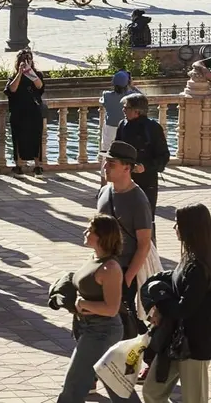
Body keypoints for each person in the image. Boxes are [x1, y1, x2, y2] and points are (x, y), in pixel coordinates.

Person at [56, 214, 140, 403]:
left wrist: (83, 304)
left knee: (73, 385)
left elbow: (112, 308)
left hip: (102, 331)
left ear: (102, 236)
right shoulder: (94, 258)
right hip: (89, 328)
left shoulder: (110, 268)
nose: (85, 232)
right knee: (115, 383)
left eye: (90, 230)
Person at [143, 204, 211, 403]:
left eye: (177, 224)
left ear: (190, 227)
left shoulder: (200, 266)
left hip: (195, 345)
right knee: (152, 392)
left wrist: (160, 300)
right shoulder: (190, 257)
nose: (174, 228)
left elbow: (185, 308)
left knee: (194, 399)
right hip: (174, 339)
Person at [97, 140, 154, 341]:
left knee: (122, 323)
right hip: (103, 267)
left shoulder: (138, 200)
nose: (105, 168)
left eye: (111, 164)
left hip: (123, 271)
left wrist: (128, 279)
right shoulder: (105, 192)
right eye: (106, 162)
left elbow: (144, 244)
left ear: (127, 168)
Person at [115, 93, 169, 223]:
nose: (123, 110)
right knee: (122, 217)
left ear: (137, 111)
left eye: (126, 107)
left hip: (146, 180)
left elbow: (164, 156)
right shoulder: (122, 125)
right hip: (124, 178)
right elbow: (116, 149)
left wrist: (145, 167)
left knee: (145, 218)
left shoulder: (152, 128)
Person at [5, 48, 46, 176]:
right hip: (18, 113)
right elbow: (12, 89)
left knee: (35, 139)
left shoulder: (37, 74)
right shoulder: (13, 76)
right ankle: (19, 166)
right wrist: (20, 73)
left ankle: (37, 166)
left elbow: (39, 86)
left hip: (33, 112)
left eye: (27, 59)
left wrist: (29, 72)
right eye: (22, 60)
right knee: (18, 139)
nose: (25, 61)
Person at [99, 71, 136, 168]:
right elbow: (143, 98)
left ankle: (104, 181)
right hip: (125, 127)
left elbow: (102, 101)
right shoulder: (131, 96)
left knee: (106, 154)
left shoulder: (106, 95)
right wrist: (132, 86)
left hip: (110, 127)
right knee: (125, 155)